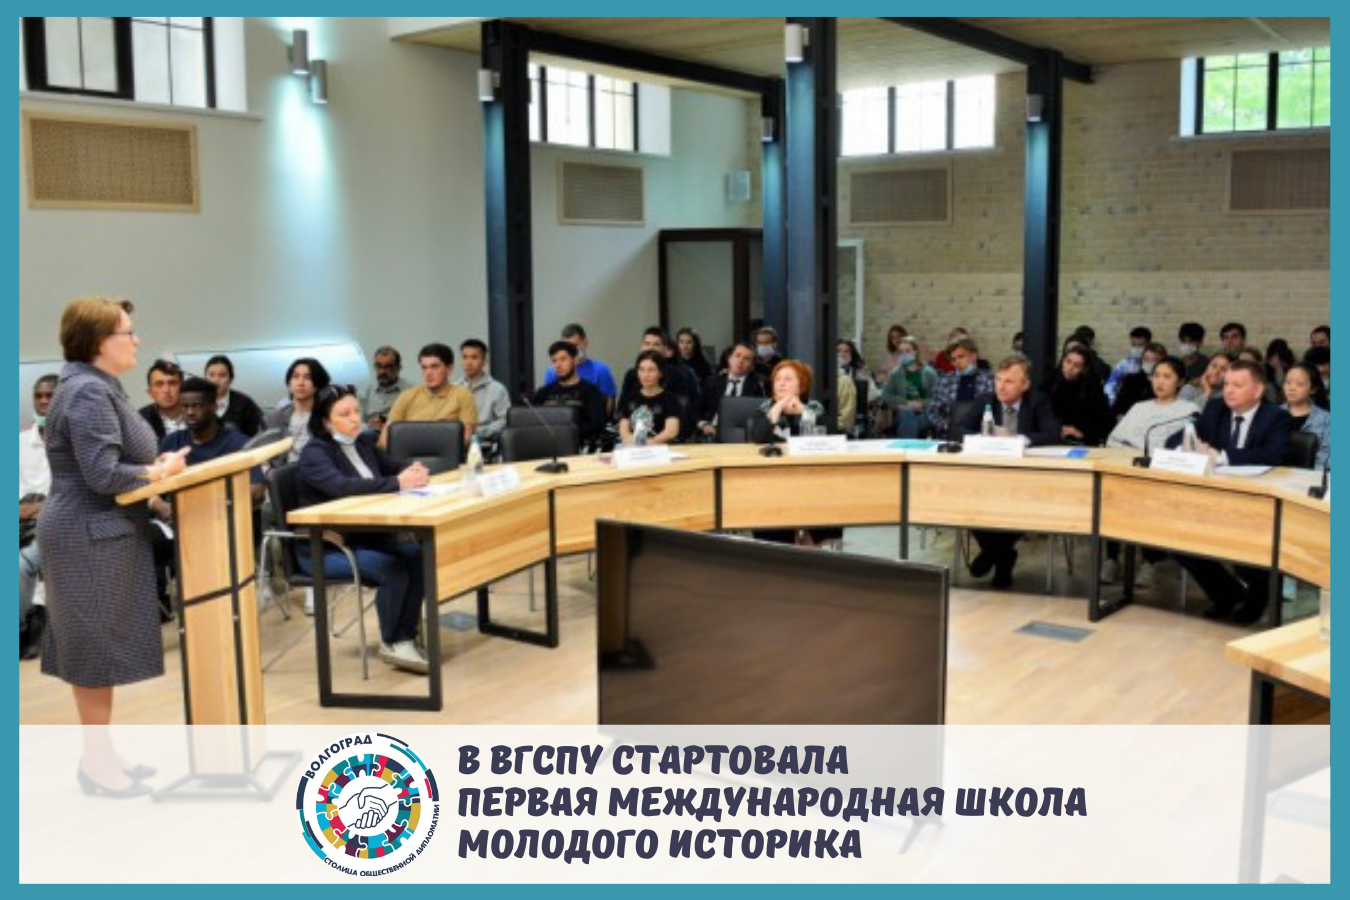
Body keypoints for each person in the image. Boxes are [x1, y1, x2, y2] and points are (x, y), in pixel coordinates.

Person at [39, 297, 191, 798]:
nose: (136, 339)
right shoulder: (87, 391)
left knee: (96, 648)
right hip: (86, 534)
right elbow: (102, 474)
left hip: (96, 530)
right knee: (94, 650)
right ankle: (97, 764)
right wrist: (157, 472)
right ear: (99, 342)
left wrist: (154, 468)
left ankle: (102, 755)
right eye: (128, 332)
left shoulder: (98, 384)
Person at [296, 387, 432, 674]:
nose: (355, 419)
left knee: (417, 555)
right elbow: (342, 487)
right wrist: (399, 482)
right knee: (393, 567)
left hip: (365, 536)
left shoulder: (363, 442)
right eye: (344, 414)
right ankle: (392, 641)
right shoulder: (315, 453)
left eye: (357, 411)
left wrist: (415, 469)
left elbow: (393, 466)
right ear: (326, 422)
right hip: (326, 546)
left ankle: (405, 636)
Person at [1166, 361, 1292, 624]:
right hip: (1215, 497)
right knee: (1177, 537)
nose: (1229, 391)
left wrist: (1222, 455)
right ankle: (1227, 594)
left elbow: (1275, 454)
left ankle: (1256, 601)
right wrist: (1187, 448)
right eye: (1226, 385)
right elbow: (1175, 439)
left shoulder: (1276, 416)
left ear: (1258, 390)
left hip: (1258, 502)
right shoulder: (1216, 408)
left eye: (1237, 385)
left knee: (1247, 539)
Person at [955, 357, 1062, 590]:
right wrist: (981, 438)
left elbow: (1053, 433)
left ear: (1025, 385)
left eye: (1009, 382)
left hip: (1025, 478)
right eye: (998, 380)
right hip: (986, 475)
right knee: (966, 501)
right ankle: (1002, 555)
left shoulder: (1038, 401)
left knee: (1022, 504)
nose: (1001, 387)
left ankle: (993, 554)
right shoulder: (986, 400)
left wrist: (1022, 439)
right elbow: (959, 428)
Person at [1101, 357, 1199, 584]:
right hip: (1129, 470)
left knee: (1147, 500)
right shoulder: (1139, 407)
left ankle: (1150, 561)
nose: (1160, 382)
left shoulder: (1189, 410)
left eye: (1167, 377)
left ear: (1180, 382)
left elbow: (1186, 447)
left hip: (1163, 476)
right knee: (1111, 497)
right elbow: (1114, 440)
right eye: (1156, 376)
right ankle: (1112, 558)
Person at [747, 360, 840, 547]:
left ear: (802, 385)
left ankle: (811, 539)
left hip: (810, 477)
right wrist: (777, 408)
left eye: (788, 379)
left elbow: (834, 434)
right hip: (773, 479)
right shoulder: (766, 407)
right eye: (777, 379)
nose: (781, 383)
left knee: (826, 493)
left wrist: (804, 411)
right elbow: (757, 437)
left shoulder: (813, 407)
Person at [159, 378, 266, 504]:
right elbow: (151, 490)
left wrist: (215, 506)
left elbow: (257, 492)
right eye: (185, 406)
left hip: (225, 512)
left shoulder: (239, 444)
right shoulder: (171, 442)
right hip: (179, 513)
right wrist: (161, 507)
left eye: (197, 406)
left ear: (214, 407)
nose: (190, 412)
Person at [19, 375, 57, 661]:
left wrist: (43, 507)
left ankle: (24, 626)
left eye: (50, 396)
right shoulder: (17, 443)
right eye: (39, 396)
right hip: (20, 523)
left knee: (22, 564)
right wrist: (35, 506)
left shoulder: (73, 441)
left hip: (58, 526)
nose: (43, 401)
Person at [382, 343, 478, 448]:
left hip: (447, 455)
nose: (428, 373)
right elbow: (384, 439)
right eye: (424, 367)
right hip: (409, 455)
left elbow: (466, 437)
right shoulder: (407, 396)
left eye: (434, 367)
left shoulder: (463, 395)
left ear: (449, 369)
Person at [533, 341, 608, 445]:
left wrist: (566, 435)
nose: (558, 365)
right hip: (547, 444)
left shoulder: (591, 391)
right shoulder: (543, 392)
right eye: (554, 361)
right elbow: (532, 422)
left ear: (575, 361)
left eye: (563, 359)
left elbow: (597, 424)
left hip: (579, 445)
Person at [926, 337, 995, 439]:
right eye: (953, 359)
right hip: (949, 434)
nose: (957, 362)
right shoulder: (945, 381)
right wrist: (944, 425)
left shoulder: (989, 379)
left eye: (961, 357)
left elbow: (996, 409)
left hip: (981, 434)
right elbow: (932, 410)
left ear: (974, 356)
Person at [265, 358, 331, 464]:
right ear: (289, 383)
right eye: (295, 377)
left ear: (317, 385)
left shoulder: (327, 418)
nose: (300, 383)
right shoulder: (275, 417)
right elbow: (263, 453)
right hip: (281, 471)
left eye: (308, 378)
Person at [697, 341, 767, 440]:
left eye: (746, 359)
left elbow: (763, 413)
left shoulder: (757, 386)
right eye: (737, 356)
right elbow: (695, 410)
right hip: (712, 433)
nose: (740, 361)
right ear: (729, 359)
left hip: (743, 435)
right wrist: (704, 425)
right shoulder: (712, 382)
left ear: (752, 367)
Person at [544, 324, 618, 417]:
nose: (571, 350)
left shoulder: (601, 371)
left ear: (585, 343)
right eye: (566, 346)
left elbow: (609, 408)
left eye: (575, 345)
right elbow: (548, 407)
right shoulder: (553, 371)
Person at [1046, 347, 1113, 446]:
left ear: (1084, 369)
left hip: (1082, 442)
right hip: (1053, 438)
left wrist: (1081, 433)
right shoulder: (1051, 382)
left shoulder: (1092, 389)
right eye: (1068, 362)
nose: (1070, 368)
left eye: (1076, 365)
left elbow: (1102, 422)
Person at [617, 351, 682, 446]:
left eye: (651, 370)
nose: (645, 375)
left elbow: (671, 431)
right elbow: (623, 430)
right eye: (641, 369)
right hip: (633, 448)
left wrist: (647, 443)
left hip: (660, 448)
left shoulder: (670, 399)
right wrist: (631, 441)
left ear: (660, 373)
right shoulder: (630, 397)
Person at [457, 339, 512, 447]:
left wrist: (478, 432)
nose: (468, 362)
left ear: (484, 361)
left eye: (474, 357)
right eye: (465, 357)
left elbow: (505, 419)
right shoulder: (455, 388)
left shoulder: (497, 389)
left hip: (485, 444)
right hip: (457, 443)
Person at [880, 336, 938, 439]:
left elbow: (938, 398)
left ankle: (906, 444)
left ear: (915, 352)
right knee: (906, 412)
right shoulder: (895, 373)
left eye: (907, 351)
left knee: (908, 423)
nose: (904, 354)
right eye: (901, 352)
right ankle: (911, 442)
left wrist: (922, 404)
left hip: (926, 412)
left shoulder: (929, 373)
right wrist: (906, 403)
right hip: (903, 412)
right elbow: (885, 395)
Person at [1281, 363, 1331, 470]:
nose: (1291, 388)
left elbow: (1325, 458)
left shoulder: (1326, 420)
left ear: (1313, 389)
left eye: (1299, 384)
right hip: (1275, 476)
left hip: (1312, 477)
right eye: (1287, 382)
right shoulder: (1272, 415)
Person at [203, 355, 265, 437]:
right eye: (211, 375)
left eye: (222, 375)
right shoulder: (198, 403)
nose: (216, 380)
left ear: (231, 379)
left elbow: (260, 433)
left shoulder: (244, 404)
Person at [1110, 342, 1168, 421]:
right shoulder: (1131, 379)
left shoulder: (1167, 383)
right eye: (1146, 359)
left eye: (1155, 360)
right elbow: (1117, 408)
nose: (1150, 363)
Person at [359, 346, 410, 431]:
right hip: (371, 433)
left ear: (398, 368)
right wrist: (369, 426)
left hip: (399, 433)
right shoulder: (364, 391)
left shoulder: (411, 391)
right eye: (379, 366)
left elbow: (416, 422)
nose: (382, 371)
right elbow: (357, 423)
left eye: (388, 367)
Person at [138, 359, 186, 442]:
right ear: (150, 393)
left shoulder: (202, 414)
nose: (166, 390)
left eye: (172, 383)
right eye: (159, 384)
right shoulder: (140, 420)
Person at [1104, 326, 1154, 404]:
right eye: (1133, 345)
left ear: (1148, 344)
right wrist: (1113, 401)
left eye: (1140, 345)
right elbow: (1110, 385)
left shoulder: (1155, 363)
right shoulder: (1124, 364)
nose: (1136, 348)